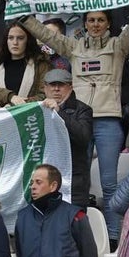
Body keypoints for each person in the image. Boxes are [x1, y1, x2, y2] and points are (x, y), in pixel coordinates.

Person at [24, 6, 129, 242]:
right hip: (79, 118)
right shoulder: (74, 47)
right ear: (85, 24)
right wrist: (26, 19)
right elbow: (48, 36)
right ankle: (79, 233)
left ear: (108, 23)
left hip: (108, 119)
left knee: (108, 182)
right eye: (91, 20)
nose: (96, 24)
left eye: (100, 20)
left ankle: (113, 236)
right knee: (79, 181)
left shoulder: (118, 46)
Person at [14, 164, 96, 257]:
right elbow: (21, 254)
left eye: (38, 182)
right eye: (32, 183)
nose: (33, 187)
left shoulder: (74, 215)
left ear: (53, 186)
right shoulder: (23, 217)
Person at [39, 69, 94, 209]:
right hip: (44, 180)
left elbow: (83, 138)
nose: (56, 89)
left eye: (61, 85)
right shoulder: (36, 110)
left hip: (74, 182)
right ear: (45, 88)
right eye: (52, 85)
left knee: (73, 221)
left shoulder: (83, 110)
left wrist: (60, 112)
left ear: (70, 87)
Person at [0, 23, 50, 111]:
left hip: (31, 116)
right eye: (11, 38)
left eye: (20, 38)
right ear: (6, 40)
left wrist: (14, 107)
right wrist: (8, 96)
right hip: (0, 117)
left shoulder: (41, 65)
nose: (15, 42)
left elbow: (45, 95)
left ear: (28, 40)